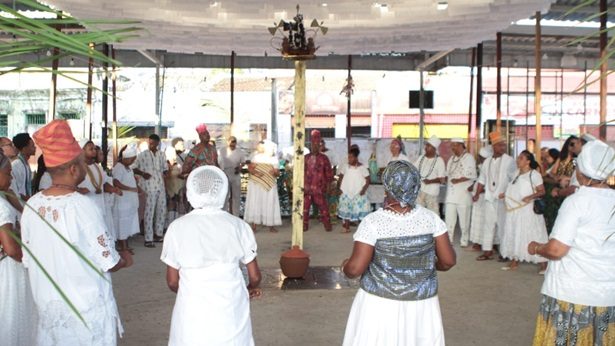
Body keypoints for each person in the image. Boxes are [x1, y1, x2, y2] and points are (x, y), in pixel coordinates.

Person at [21, 119, 133, 346]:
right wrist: (123, 260)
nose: (85, 166)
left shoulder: (32, 205)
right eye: (82, 162)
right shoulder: (82, 205)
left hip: (48, 307)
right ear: (73, 169)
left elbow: (28, 259)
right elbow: (108, 261)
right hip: (83, 309)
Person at [341, 160, 456, 346]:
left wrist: (344, 266)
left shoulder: (373, 222)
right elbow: (448, 261)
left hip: (380, 303)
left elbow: (355, 269)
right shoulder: (431, 219)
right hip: (422, 303)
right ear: (415, 187)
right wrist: (427, 265)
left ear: (387, 189)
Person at [161, 165, 262, 346]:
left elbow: (172, 281)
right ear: (223, 192)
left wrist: (194, 291)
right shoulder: (239, 226)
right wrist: (245, 290)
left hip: (191, 307)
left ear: (190, 192)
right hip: (230, 306)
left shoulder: (177, 227)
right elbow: (254, 276)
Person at [528, 139, 615, 345]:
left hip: (574, 294)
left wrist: (537, 248)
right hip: (608, 293)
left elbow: (557, 250)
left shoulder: (578, 201)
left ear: (581, 171)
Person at [0, 150, 36, 346]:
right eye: (7, 172)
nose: (11, 176)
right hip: (6, 270)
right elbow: (11, 249)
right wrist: (31, 260)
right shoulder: (2, 207)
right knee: (9, 314)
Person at [500, 151, 548, 273]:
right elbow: (514, 189)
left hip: (528, 211)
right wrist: (505, 194)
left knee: (535, 234)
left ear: (528, 161)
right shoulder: (516, 173)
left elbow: (542, 191)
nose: (518, 160)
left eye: (521, 158)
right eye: (518, 158)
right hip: (515, 211)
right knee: (515, 233)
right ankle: (514, 261)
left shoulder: (534, 174)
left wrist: (530, 197)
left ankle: (543, 265)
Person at [474, 132, 516, 260]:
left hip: (503, 199)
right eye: (500, 145)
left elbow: (513, 180)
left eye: (504, 145)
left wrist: (508, 193)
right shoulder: (487, 162)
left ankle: (505, 253)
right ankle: (487, 251)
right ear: (493, 146)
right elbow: (482, 179)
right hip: (489, 197)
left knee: (503, 226)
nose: (503, 148)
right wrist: (476, 194)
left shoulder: (510, 161)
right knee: (488, 224)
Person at [78, 141, 122, 243]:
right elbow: (69, 187)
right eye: (91, 149)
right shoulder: (77, 167)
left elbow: (104, 184)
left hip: (99, 207)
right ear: (82, 151)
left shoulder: (98, 167)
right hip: (85, 209)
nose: (94, 151)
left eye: (94, 148)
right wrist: (79, 190)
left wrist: (113, 189)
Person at [133, 134, 168, 248]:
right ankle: (148, 238)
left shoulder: (162, 155)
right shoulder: (142, 155)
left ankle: (158, 234)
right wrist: (143, 173)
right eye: (149, 143)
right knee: (149, 212)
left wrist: (167, 177)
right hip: (148, 187)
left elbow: (165, 169)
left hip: (160, 186)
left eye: (153, 143)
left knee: (161, 211)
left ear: (158, 143)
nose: (150, 145)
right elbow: (133, 167)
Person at [244, 141, 281, 232]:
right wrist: (257, 173)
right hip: (256, 183)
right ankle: (254, 226)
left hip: (269, 183)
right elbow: (250, 168)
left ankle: (271, 226)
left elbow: (277, 173)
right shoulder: (257, 157)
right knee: (256, 202)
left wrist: (275, 172)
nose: (272, 150)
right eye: (271, 148)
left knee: (270, 203)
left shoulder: (274, 159)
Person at [445, 138, 476, 247]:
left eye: (455, 145)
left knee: (464, 220)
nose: (453, 148)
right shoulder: (451, 159)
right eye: (452, 145)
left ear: (461, 146)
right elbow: (447, 174)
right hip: (451, 194)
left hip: (463, 194)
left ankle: (464, 241)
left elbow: (472, 175)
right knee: (449, 219)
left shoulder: (469, 158)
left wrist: (458, 180)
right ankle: (449, 240)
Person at [303, 130, 334, 232]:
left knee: (324, 208)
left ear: (320, 146)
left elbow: (329, 173)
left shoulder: (324, 158)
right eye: (313, 145)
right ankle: (304, 225)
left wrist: (329, 187)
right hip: (307, 188)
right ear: (311, 146)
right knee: (305, 208)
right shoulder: (305, 158)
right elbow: (301, 172)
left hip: (320, 188)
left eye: (317, 145)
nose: (315, 147)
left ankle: (327, 225)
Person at [112, 145, 140, 253]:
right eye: (132, 160)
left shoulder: (128, 168)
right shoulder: (119, 167)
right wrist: (130, 189)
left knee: (128, 224)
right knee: (122, 223)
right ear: (126, 158)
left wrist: (137, 188)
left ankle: (126, 245)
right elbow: (116, 182)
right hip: (123, 201)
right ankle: (123, 248)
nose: (133, 162)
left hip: (130, 201)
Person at [337, 147, 370, 233]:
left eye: (351, 157)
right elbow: (340, 177)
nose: (349, 159)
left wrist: (363, 190)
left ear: (356, 158)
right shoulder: (345, 166)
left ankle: (363, 229)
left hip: (358, 192)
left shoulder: (362, 167)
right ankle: (346, 227)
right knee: (346, 209)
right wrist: (340, 188)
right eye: (349, 157)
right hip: (346, 191)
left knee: (360, 210)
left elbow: (368, 179)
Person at [414, 135, 446, 214]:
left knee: (433, 216)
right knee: (418, 215)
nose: (425, 147)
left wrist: (430, 181)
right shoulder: (421, 158)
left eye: (428, 146)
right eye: (426, 145)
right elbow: (413, 170)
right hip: (420, 191)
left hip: (432, 193)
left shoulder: (439, 161)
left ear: (434, 149)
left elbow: (442, 179)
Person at [469, 145, 492, 251]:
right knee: (476, 221)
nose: (478, 158)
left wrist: (478, 192)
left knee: (483, 222)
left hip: (483, 198)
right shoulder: (481, 166)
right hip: (478, 198)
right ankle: (477, 243)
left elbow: (488, 184)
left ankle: (482, 244)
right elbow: (479, 180)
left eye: (480, 157)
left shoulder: (489, 167)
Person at [219, 136, 245, 216]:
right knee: (225, 195)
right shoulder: (222, 150)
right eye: (231, 141)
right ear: (227, 142)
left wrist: (239, 168)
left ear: (236, 142)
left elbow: (243, 162)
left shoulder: (240, 151)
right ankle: (224, 214)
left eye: (234, 142)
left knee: (236, 196)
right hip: (225, 172)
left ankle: (235, 215)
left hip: (235, 172)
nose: (232, 143)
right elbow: (218, 161)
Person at [11, 133, 36, 201]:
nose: (35, 148)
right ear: (25, 149)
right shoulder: (16, 165)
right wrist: (31, 200)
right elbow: (17, 191)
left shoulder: (25, 164)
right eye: (32, 146)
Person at [541, 148, 560, 234]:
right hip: (547, 196)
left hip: (553, 198)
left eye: (548, 156)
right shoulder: (548, 166)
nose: (546, 159)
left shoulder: (556, 167)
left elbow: (556, 180)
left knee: (552, 219)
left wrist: (545, 179)